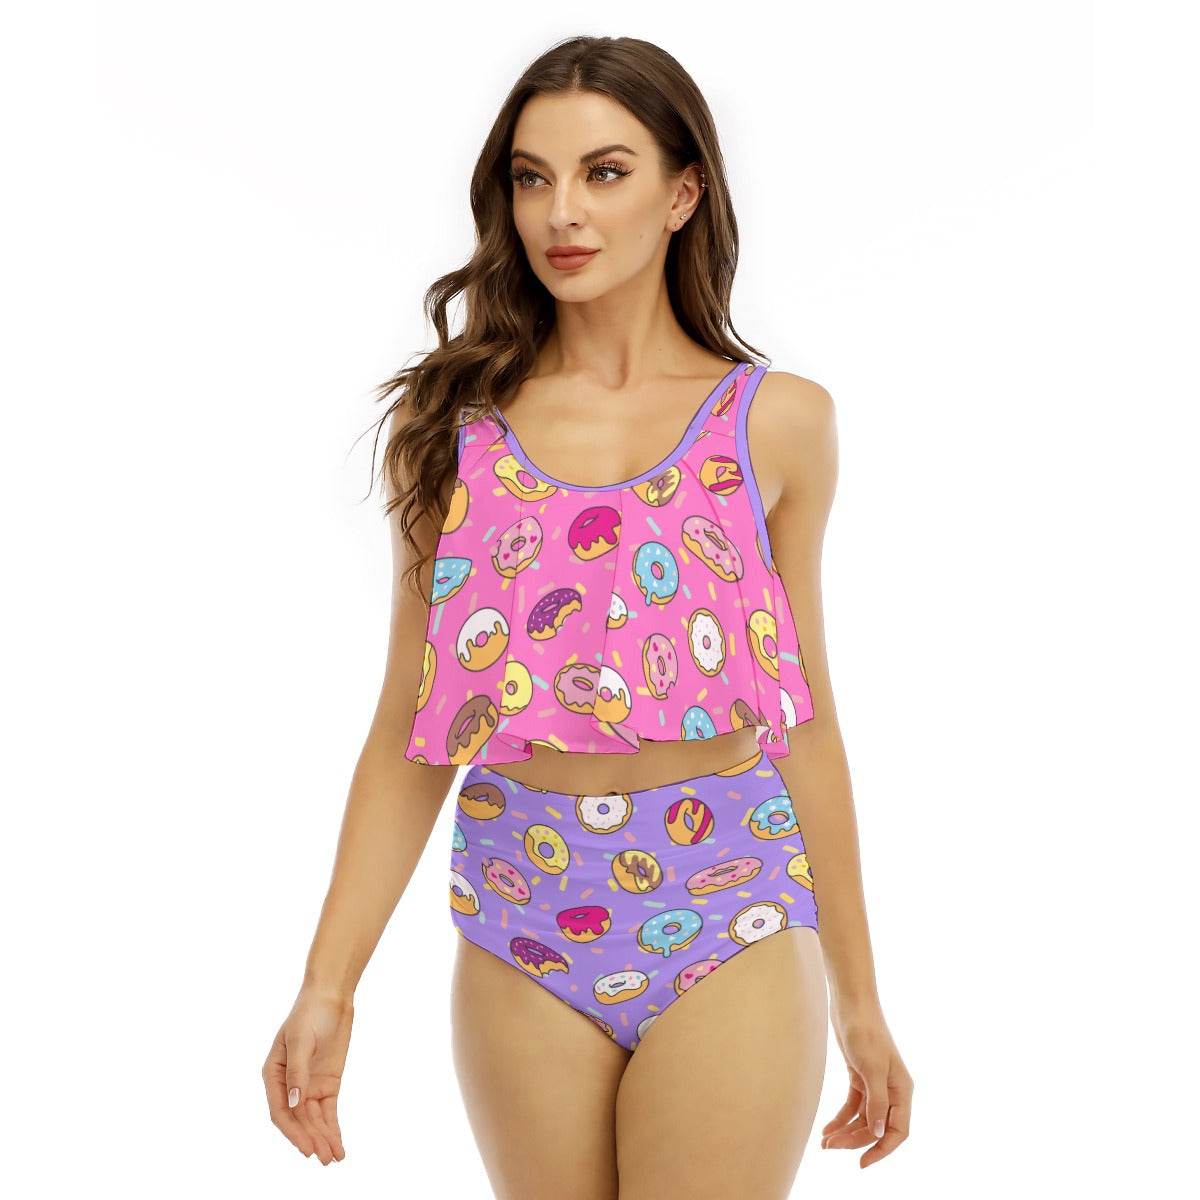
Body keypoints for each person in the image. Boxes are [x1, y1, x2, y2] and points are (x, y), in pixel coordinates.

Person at [262, 34, 913, 1199]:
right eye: (532, 176)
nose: (561, 211)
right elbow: (414, 726)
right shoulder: (451, 429)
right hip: (523, 911)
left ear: (683, 193)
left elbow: (805, 719)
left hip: (731, 907)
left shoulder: (777, 424)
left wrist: (860, 1001)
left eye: (604, 172)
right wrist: (328, 983)